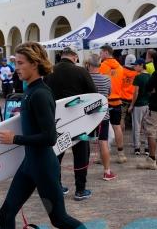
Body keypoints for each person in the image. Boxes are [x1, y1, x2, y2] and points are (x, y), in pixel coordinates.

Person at [0, 42, 108, 229]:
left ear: (34, 64)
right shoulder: (31, 91)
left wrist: (15, 139)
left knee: (58, 218)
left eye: (20, 63)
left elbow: (49, 137)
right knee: (6, 213)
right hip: (29, 165)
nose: (16, 67)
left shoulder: (41, 94)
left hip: (43, 166)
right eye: (16, 63)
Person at [44, 45, 97, 200]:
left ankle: (57, 187)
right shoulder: (81, 71)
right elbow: (94, 95)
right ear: (75, 56)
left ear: (62, 55)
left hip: (57, 120)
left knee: (56, 153)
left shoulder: (50, 72)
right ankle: (80, 190)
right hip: (78, 121)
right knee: (81, 154)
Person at [85, 53, 116, 181]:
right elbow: (109, 93)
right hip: (103, 115)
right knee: (103, 142)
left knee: (84, 142)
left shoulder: (85, 78)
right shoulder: (106, 79)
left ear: (88, 65)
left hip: (87, 116)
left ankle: (82, 172)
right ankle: (107, 172)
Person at [99, 45, 126, 163]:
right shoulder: (120, 67)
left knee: (103, 128)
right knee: (117, 127)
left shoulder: (102, 66)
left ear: (106, 52)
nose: (100, 55)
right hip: (117, 100)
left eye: (101, 52)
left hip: (105, 101)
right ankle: (121, 154)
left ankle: (103, 155)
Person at [128, 58, 151, 156]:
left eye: (136, 65)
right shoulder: (150, 76)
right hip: (148, 104)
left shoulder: (138, 77)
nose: (134, 67)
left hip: (138, 105)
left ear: (141, 65)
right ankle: (147, 148)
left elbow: (136, 93)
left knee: (137, 127)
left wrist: (131, 105)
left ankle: (137, 147)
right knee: (147, 127)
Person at [120, 54, 138, 157]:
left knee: (121, 119)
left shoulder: (121, 71)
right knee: (135, 121)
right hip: (133, 99)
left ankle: (120, 139)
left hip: (122, 98)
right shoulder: (137, 72)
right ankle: (136, 142)